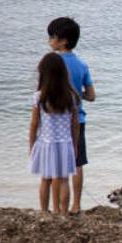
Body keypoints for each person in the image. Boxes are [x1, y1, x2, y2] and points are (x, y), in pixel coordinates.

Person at [47, 17, 95, 214]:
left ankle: (56, 206)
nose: (49, 40)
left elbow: (44, 92)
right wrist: (77, 93)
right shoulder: (82, 65)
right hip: (78, 120)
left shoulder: (51, 63)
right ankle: (76, 205)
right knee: (77, 162)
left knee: (56, 164)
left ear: (63, 41)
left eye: (52, 37)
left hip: (55, 120)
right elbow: (91, 96)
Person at [29, 52, 80, 215]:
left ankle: (45, 211)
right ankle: (63, 212)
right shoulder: (71, 97)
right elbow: (75, 125)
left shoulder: (39, 97)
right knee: (64, 179)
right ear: (63, 73)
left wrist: (31, 145)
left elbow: (34, 124)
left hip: (46, 143)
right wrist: (75, 144)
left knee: (45, 179)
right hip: (65, 143)